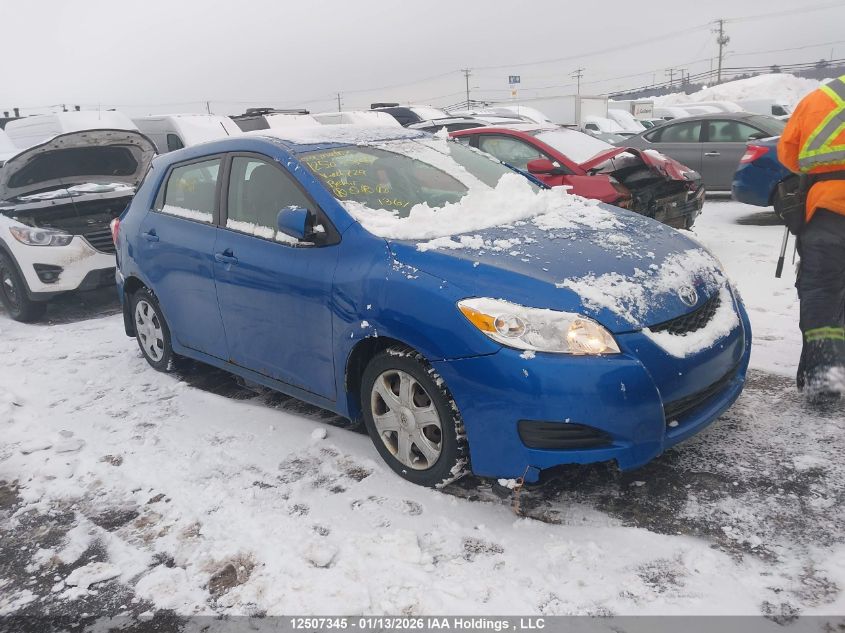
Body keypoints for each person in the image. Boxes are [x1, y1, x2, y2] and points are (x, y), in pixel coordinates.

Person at [778, 74, 845, 401]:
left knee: (822, 291)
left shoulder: (818, 100)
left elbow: (788, 154)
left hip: (828, 211)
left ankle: (825, 378)